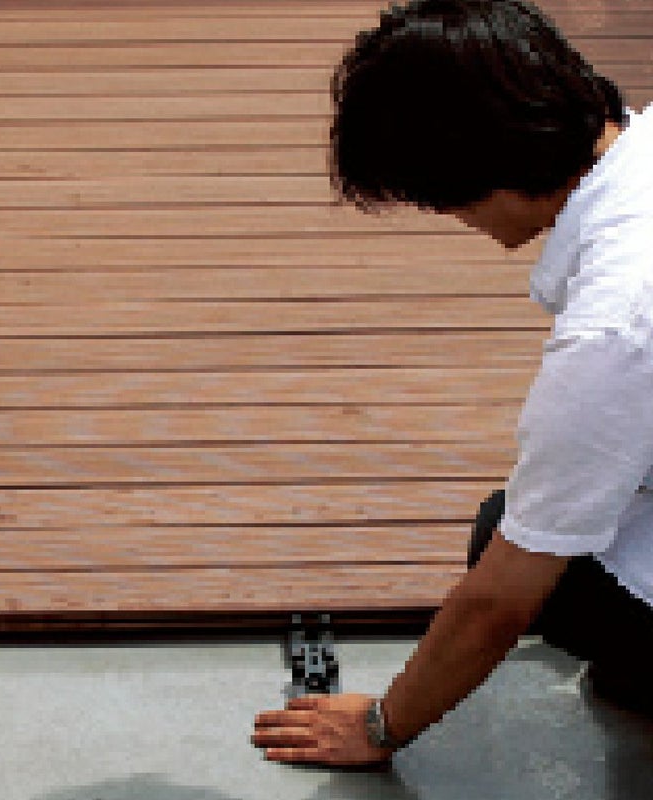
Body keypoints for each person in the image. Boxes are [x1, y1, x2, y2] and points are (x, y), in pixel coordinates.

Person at [251, 0, 653, 769]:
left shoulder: (618, 322)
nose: (448, 217)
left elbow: (502, 599)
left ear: (483, 171)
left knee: (531, 554)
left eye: (435, 198)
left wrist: (381, 726)